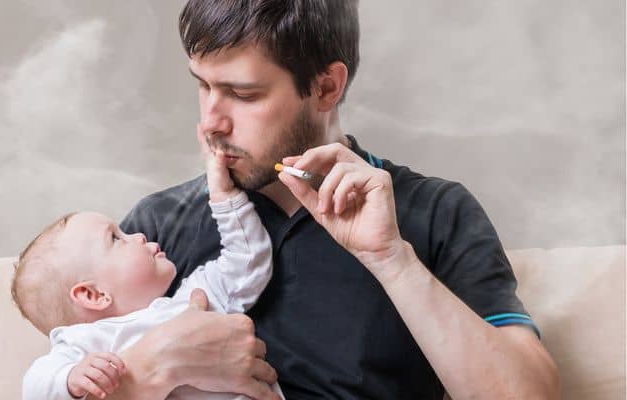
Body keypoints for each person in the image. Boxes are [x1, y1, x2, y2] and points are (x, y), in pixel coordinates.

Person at [104, 0, 561, 399]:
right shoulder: (156, 228)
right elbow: (67, 372)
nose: (210, 122)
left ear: (326, 87)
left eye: (242, 94)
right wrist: (143, 376)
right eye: (203, 86)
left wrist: (392, 261)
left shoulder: (436, 212)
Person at [12, 128, 283, 399]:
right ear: (93, 295)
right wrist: (69, 379)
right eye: (117, 238)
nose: (138, 235)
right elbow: (35, 386)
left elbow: (247, 261)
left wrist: (225, 198)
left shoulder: (193, 300)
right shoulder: (88, 345)